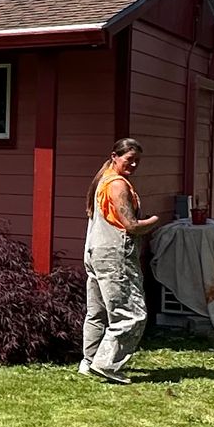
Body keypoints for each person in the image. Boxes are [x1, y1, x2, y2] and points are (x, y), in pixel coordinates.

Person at [81, 137, 160, 385]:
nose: (134, 165)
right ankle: (106, 364)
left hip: (94, 251)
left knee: (97, 312)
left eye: (137, 161)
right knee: (132, 314)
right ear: (114, 156)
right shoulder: (117, 185)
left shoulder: (102, 180)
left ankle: (89, 361)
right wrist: (154, 220)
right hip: (115, 255)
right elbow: (131, 226)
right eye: (129, 160)